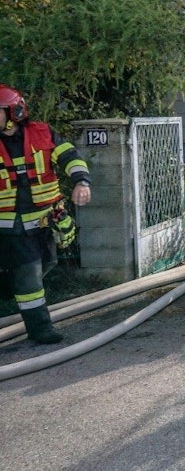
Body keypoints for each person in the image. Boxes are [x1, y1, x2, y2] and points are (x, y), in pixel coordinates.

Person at [0, 84, 91, 344]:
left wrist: (81, 181)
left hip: (45, 221)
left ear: (14, 112)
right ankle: (40, 330)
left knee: (47, 264)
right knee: (29, 278)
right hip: (12, 227)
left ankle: (10, 289)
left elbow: (71, 156)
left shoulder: (43, 133)